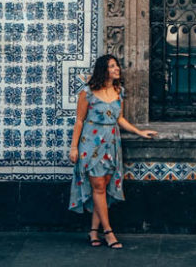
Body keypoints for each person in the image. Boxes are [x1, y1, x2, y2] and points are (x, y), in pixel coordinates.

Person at [68, 53, 158, 249]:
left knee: (103, 187)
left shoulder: (119, 91)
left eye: (117, 66)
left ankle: (93, 232)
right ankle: (109, 232)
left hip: (112, 143)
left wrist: (139, 132)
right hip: (91, 143)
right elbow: (79, 120)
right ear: (103, 70)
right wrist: (73, 147)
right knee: (98, 186)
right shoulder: (88, 92)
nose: (117, 69)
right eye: (112, 66)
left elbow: (120, 119)